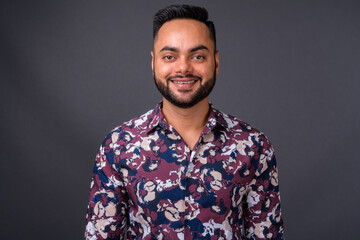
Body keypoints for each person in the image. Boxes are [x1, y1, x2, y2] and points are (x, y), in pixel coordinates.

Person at [85, 4, 284, 240]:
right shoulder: (117, 146)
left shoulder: (253, 146)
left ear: (216, 62)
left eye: (197, 56)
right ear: (153, 62)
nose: (183, 68)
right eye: (169, 56)